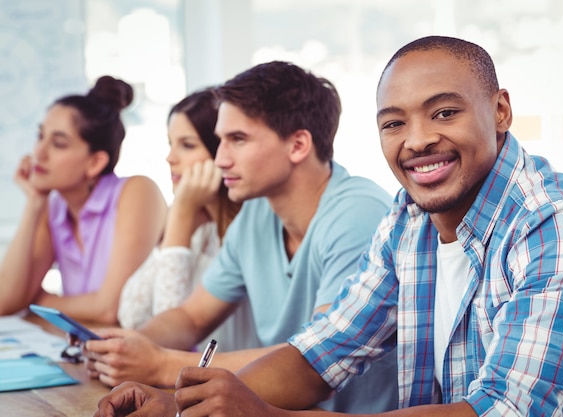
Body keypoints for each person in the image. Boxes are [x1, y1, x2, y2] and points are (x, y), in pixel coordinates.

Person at [94, 35, 563, 417]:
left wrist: (264, 415)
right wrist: (183, 404)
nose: (415, 140)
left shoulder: (559, 225)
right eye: (394, 123)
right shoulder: (407, 222)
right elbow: (324, 351)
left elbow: (503, 410)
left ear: (501, 111)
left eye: (443, 113)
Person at [86, 61, 399, 413]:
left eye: (237, 139)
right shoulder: (256, 213)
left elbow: (315, 359)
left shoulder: (358, 213)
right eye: (220, 141)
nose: (220, 160)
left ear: (298, 145)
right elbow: (191, 317)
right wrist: (132, 347)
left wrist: (160, 364)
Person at [0, 76, 167, 324]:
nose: (38, 152)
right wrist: (34, 202)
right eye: (40, 136)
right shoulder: (54, 207)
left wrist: (38, 302)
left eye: (58, 143)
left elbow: (109, 310)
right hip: (87, 356)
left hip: (151, 355)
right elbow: (5, 301)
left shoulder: (138, 191)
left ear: (95, 162)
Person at [117, 87, 261, 352]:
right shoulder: (200, 228)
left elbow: (171, 335)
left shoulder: (249, 229)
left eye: (187, 145)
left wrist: (181, 214)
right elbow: (132, 316)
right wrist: (180, 224)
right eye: (171, 144)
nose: (170, 158)